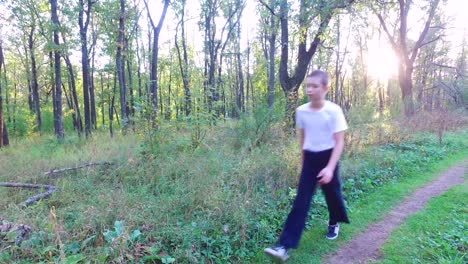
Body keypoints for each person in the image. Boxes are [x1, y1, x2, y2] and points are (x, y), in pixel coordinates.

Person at [264, 70, 350, 261]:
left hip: (329, 158)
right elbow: (302, 139)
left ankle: (334, 222)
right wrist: (303, 163)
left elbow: (339, 142)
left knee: (333, 195)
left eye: (314, 86)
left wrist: (329, 167)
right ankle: (284, 246)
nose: (309, 90)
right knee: (301, 201)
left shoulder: (333, 111)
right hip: (310, 159)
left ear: (325, 88)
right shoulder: (301, 111)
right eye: (307, 86)